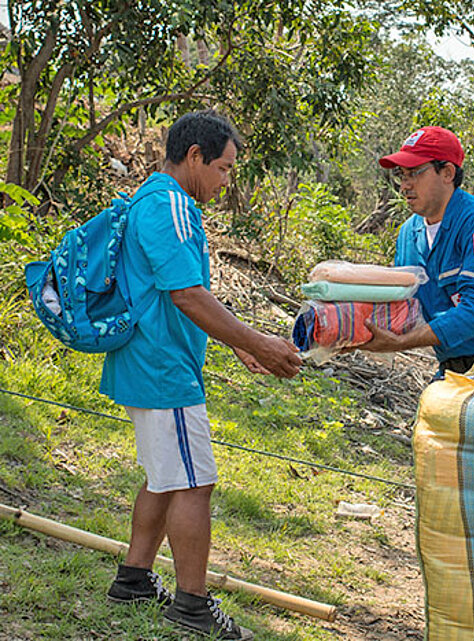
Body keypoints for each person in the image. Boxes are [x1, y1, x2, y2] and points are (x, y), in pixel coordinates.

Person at [100, 111, 302, 640]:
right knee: (195, 481)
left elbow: (176, 293)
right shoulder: (170, 204)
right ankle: (192, 603)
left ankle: (134, 579)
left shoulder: (154, 199)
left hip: (150, 360)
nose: (225, 180)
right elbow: (187, 294)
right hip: (164, 368)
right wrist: (254, 340)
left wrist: (235, 347)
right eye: (225, 168)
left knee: (166, 476)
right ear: (195, 157)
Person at [356, 126, 474, 374]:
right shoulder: (408, 235)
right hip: (452, 371)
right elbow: (403, 305)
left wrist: (402, 343)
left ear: (447, 173)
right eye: (401, 175)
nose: (404, 186)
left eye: (414, 173)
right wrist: (352, 332)